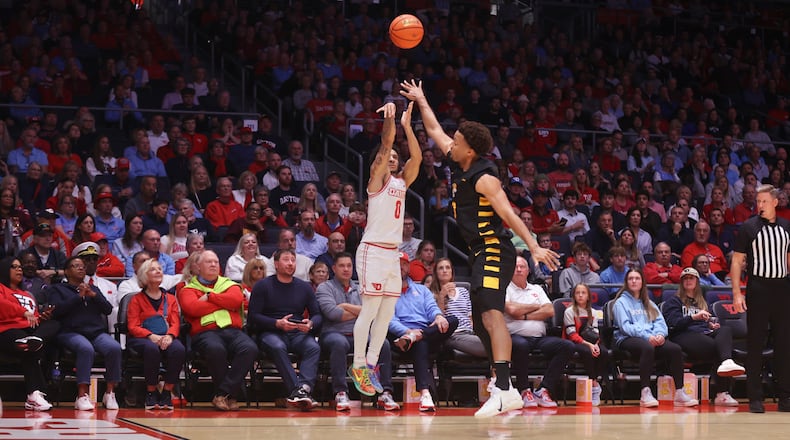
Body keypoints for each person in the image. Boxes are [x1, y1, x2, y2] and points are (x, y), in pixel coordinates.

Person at [400, 78, 559, 417]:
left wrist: (533, 246)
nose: (449, 143)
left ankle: (503, 385)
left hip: (494, 250)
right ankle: (505, 386)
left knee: (491, 313)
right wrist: (422, 98)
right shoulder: (460, 161)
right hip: (478, 253)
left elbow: (509, 214)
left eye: (456, 141)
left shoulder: (485, 177)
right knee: (480, 320)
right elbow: (433, 130)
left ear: (469, 149)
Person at [350, 101, 422, 396]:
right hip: (372, 250)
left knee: (386, 312)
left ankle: (371, 363)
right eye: (388, 157)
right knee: (369, 310)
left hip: (392, 253)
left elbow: (416, 155)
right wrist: (391, 120)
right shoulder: (376, 180)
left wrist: (408, 126)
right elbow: (386, 142)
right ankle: (357, 364)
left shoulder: (403, 181)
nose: (392, 158)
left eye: (395, 157)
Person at [731, 184, 790, 413]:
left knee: (785, 345)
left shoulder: (787, 226)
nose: (760, 206)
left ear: (775, 202)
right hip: (758, 288)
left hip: (782, 289)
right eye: (758, 202)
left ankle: (785, 397)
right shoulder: (748, 227)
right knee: (755, 344)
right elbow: (736, 262)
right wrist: (737, 293)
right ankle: (755, 397)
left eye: (765, 201)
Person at [316, 252, 400, 411]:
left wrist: (345, 306)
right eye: (342, 266)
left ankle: (385, 393)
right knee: (339, 343)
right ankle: (340, 392)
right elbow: (333, 314)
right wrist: (363, 311)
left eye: (349, 266)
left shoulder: (361, 288)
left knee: (383, 343)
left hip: (359, 335)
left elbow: (374, 312)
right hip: (333, 334)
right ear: (334, 268)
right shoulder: (324, 287)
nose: (346, 269)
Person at [177, 250, 258, 411]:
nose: (214, 264)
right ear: (198, 267)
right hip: (205, 333)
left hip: (233, 331)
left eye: (215, 261)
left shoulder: (231, 284)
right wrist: (222, 301)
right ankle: (231, 396)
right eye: (208, 262)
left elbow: (235, 301)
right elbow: (192, 309)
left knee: (250, 348)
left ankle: (222, 394)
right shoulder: (188, 289)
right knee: (216, 349)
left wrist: (209, 297)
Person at [611, 269, 699, 408]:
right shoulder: (620, 303)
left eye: (637, 278)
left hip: (652, 337)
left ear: (642, 282)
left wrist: (659, 335)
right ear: (626, 283)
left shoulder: (649, 303)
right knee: (647, 347)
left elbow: (660, 322)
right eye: (631, 279)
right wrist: (648, 337)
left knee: (675, 349)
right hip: (627, 339)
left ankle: (680, 392)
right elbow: (625, 327)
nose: (634, 281)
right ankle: (645, 392)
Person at [248, 249, 322, 410]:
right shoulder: (263, 285)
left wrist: (310, 324)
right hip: (270, 331)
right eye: (286, 260)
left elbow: (317, 315)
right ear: (276, 264)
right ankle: (297, 391)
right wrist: (277, 323)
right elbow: (253, 316)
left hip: (296, 331)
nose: (290, 263)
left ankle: (303, 389)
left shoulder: (304, 287)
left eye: (293, 260)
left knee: (313, 347)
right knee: (277, 346)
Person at [45, 256, 122, 411]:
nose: (81, 268)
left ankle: (110, 393)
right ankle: (82, 395)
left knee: (114, 347)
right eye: (75, 265)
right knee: (85, 348)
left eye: (82, 266)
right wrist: (77, 297)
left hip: (95, 333)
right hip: (69, 332)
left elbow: (107, 309)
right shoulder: (57, 289)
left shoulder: (93, 288)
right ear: (66, 272)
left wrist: (94, 296)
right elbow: (56, 311)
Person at [661, 267, 744, 407]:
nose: (688, 281)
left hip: (702, 334)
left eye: (691, 278)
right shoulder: (673, 301)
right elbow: (672, 325)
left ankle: (727, 362)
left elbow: (707, 322)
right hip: (683, 335)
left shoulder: (702, 302)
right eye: (685, 279)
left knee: (725, 331)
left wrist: (710, 325)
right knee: (719, 348)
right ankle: (722, 393)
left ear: (697, 282)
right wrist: (693, 317)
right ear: (681, 282)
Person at [389, 251, 458, 412]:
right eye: (397, 264)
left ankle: (417, 336)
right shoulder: (386, 293)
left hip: (425, 331)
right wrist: (407, 332)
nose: (401, 267)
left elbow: (431, 308)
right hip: (401, 338)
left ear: (409, 267)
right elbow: (389, 320)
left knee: (452, 320)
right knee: (421, 343)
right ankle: (425, 393)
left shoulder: (422, 290)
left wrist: (439, 316)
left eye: (404, 264)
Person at [505, 256, 575, 409]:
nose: (518, 269)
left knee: (567, 346)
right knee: (521, 345)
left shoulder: (537, 289)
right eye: (515, 266)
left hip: (538, 337)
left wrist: (523, 315)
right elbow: (511, 310)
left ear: (528, 270)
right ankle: (524, 390)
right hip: (515, 336)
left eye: (522, 266)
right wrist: (536, 306)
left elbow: (549, 310)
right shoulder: (505, 288)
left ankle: (543, 389)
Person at [0, 256, 59, 411]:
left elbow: (33, 318)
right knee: (30, 348)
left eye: (20, 267)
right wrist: (23, 311)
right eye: (14, 267)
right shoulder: (1, 288)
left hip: (29, 330)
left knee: (54, 324)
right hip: (7, 329)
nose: (19, 269)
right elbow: (2, 305)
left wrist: (41, 317)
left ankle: (34, 340)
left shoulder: (27, 294)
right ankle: (34, 395)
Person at [127, 259, 186, 410]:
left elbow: (175, 323)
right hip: (142, 338)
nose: (158, 271)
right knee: (151, 349)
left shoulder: (170, 299)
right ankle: (151, 392)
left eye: (159, 269)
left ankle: (167, 391)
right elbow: (133, 326)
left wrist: (170, 336)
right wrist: (150, 336)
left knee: (178, 349)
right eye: (153, 269)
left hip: (166, 336)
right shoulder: (136, 300)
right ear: (144, 276)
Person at [429, 257, 487, 358]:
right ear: (436, 273)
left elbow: (470, 317)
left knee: (495, 341)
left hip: (469, 333)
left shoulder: (463, 291)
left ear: (452, 271)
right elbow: (437, 318)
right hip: (452, 334)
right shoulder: (431, 294)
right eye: (441, 268)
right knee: (490, 346)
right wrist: (441, 296)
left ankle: (495, 372)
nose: (444, 270)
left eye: (447, 267)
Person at [563, 284, 610, 406]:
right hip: (573, 342)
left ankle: (594, 381)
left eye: (583, 292)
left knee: (604, 352)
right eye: (577, 292)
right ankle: (594, 385)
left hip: (590, 341)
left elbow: (595, 333)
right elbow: (572, 334)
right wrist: (589, 345)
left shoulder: (593, 312)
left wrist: (596, 345)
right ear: (573, 295)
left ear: (588, 296)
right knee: (587, 352)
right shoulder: (569, 311)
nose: (580, 295)